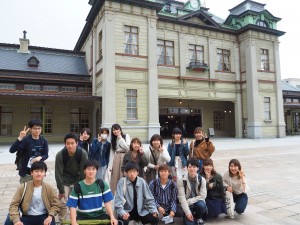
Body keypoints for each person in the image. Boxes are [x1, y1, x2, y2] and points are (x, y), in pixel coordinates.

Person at [66, 160, 118, 225]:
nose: (91, 171)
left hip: (99, 216)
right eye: (88, 169)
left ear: (96, 170)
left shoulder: (102, 184)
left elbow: (107, 202)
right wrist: (73, 222)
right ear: (84, 171)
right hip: (83, 217)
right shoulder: (78, 186)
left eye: (93, 169)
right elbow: (72, 206)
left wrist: (112, 217)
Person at [55, 133, 88, 222]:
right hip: (65, 180)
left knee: (76, 203)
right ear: (65, 144)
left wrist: (82, 186)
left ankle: (75, 221)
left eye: (72, 143)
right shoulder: (60, 155)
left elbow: (84, 172)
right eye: (68, 143)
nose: (70, 145)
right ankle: (63, 222)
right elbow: (58, 174)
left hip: (77, 180)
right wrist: (61, 190)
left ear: (77, 143)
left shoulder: (82, 153)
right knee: (62, 203)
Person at [9, 119, 49, 183]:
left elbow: (46, 155)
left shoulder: (44, 140)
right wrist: (20, 137)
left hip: (38, 171)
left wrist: (40, 157)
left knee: (37, 191)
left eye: (39, 128)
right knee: (25, 190)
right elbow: (12, 150)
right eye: (35, 128)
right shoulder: (26, 140)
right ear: (30, 129)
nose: (37, 130)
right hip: (26, 172)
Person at [177, 158, 207, 225]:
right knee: (189, 224)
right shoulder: (181, 180)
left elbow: (203, 196)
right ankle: (190, 216)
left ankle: (199, 217)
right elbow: (182, 198)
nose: (192, 169)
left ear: (198, 168)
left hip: (197, 202)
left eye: (194, 167)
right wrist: (188, 213)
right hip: (187, 205)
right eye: (190, 167)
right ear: (187, 168)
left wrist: (190, 201)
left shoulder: (202, 180)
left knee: (201, 205)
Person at [108, 123, 130, 194]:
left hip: (125, 157)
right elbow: (111, 154)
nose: (115, 131)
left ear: (120, 130)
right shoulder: (113, 140)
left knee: (124, 175)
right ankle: (116, 194)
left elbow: (127, 148)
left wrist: (120, 138)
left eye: (117, 129)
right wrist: (110, 166)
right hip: (116, 158)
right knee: (115, 177)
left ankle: (125, 193)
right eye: (113, 130)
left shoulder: (126, 136)